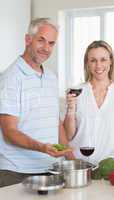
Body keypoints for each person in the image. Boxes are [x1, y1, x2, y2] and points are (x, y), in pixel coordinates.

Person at [0, 18, 72, 187]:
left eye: (51, 43)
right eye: (41, 40)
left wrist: (71, 158)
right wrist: (42, 148)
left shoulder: (51, 77)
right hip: (16, 173)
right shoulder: (10, 79)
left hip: (51, 169)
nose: (46, 48)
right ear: (28, 39)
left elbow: (55, 122)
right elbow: (9, 131)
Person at [64, 40, 114, 165]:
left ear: (111, 61)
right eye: (93, 60)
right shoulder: (76, 92)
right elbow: (68, 135)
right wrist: (70, 109)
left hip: (108, 167)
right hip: (78, 165)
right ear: (87, 64)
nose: (98, 65)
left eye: (103, 59)